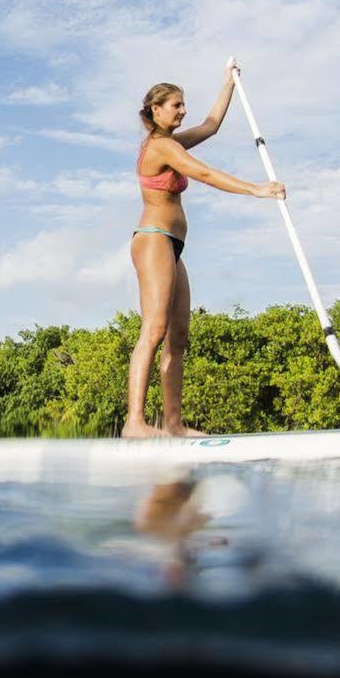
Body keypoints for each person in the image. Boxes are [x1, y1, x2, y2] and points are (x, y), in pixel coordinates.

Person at [125, 65, 284, 438]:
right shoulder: (160, 146)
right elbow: (206, 174)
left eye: (183, 105)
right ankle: (134, 422)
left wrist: (229, 82)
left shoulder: (174, 142)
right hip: (153, 238)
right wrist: (256, 190)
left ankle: (175, 424)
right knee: (155, 328)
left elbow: (212, 124)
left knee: (179, 336)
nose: (182, 111)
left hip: (172, 246)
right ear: (156, 110)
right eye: (176, 105)